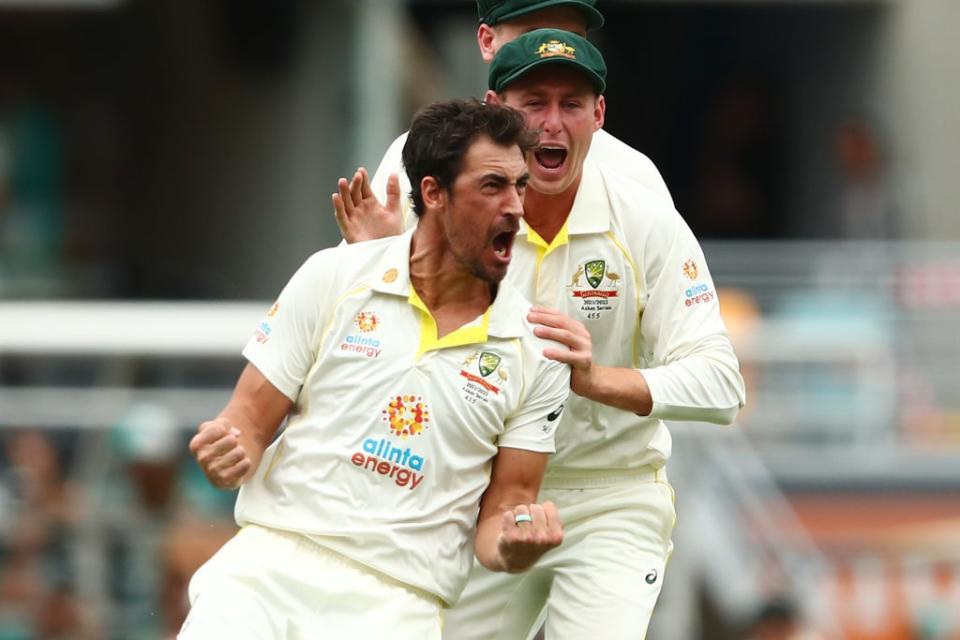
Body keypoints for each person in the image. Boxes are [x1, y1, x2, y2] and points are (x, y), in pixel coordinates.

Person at [335, 28, 746, 640]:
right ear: (497, 110)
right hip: (484, 497)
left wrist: (597, 379)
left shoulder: (645, 217)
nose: (552, 124)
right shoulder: (450, 219)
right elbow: (380, 356)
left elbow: (721, 385)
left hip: (614, 495)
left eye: (572, 104)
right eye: (534, 103)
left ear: (599, 115)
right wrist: (379, 268)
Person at [179, 100, 571, 639]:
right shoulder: (333, 275)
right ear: (433, 193)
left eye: (520, 186)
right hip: (269, 568)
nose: (516, 208)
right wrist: (228, 449)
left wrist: (513, 546)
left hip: (398, 601)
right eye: (492, 186)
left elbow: (507, 507)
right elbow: (246, 419)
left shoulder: (536, 350)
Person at [332, 0, 673, 245]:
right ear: (486, 41)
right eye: (533, 34)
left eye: (571, 35)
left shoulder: (635, 175)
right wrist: (379, 261)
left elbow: (690, 336)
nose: (553, 49)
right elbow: (352, 322)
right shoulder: (419, 156)